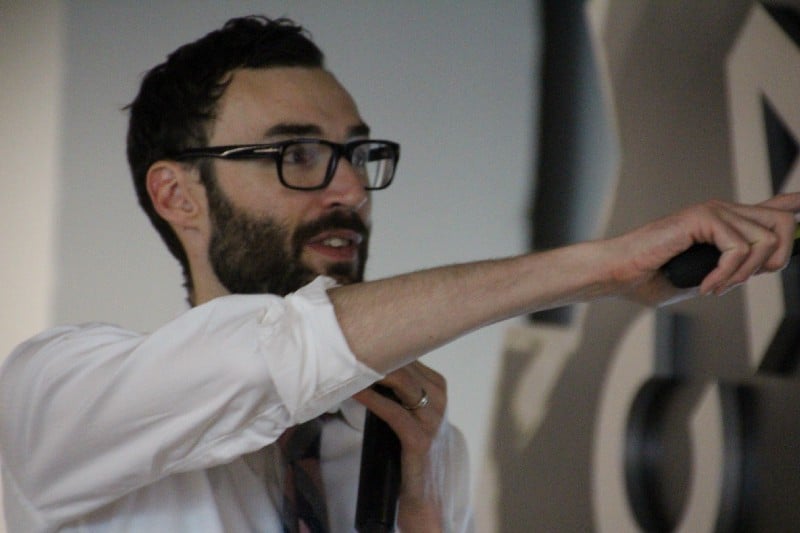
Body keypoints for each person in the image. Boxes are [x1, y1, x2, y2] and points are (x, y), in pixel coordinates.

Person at [1, 14, 799, 533]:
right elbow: (278, 350)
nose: (350, 188)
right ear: (178, 194)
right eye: (298, 154)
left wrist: (420, 513)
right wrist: (603, 265)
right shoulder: (56, 396)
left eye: (357, 152)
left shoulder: (419, 444)